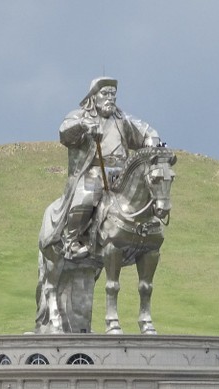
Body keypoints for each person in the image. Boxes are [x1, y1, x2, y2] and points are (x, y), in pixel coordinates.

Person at [44, 76, 161, 260]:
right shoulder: (80, 116)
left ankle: (146, 233)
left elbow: (147, 131)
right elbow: (64, 132)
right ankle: (71, 242)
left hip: (123, 173)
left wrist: (152, 141)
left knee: (150, 190)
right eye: (105, 93)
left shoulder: (122, 119)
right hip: (94, 172)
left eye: (113, 94)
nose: (110, 98)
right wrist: (84, 126)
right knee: (86, 196)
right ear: (93, 96)